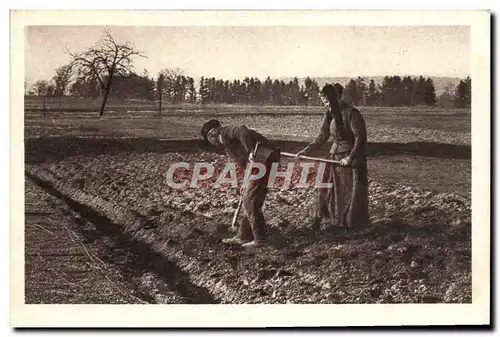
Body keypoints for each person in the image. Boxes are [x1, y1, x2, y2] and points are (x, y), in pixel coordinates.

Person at [296, 83, 369, 229]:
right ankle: (317, 221)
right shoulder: (329, 114)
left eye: (327, 102)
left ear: (337, 98)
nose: (325, 105)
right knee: (324, 186)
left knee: (346, 192)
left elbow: (360, 138)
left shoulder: (351, 113)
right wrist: (306, 151)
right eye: (324, 102)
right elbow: (322, 137)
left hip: (349, 159)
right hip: (334, 156)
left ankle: (347, 224)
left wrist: (350, 158)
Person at [200, 119, 280, 247]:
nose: (211, 143)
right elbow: (245, 165)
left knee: (249, 199)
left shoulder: (226, 133)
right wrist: (244, 183)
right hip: (265, 161)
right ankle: (243, 236)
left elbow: (242, 130)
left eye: (209, 139)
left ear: (212, 134)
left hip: (263, 159)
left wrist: (250, 150)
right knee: (251, 198)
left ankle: (260, 238)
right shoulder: (228, 144)